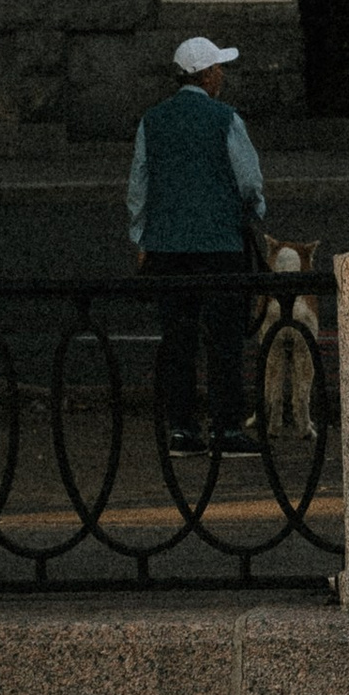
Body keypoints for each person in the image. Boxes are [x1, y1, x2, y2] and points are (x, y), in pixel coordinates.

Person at [128, 35, 267, 453]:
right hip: (220, 242)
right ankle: (227, 428)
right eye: (218, 67)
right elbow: (249, 180)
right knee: (224, 339)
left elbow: (139, 185)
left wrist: (141, 237)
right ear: (206, 74)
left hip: (167, 246)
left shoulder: (152, 120)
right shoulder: (226, 118)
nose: (222, 73)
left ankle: (183, 429)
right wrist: (255, 212)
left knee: (178, 340)